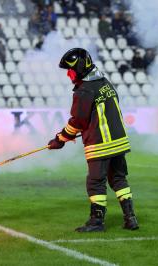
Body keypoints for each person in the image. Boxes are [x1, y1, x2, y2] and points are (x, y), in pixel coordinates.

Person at [48, 48, 139, 232]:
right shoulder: (105, 82)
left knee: (95, 182)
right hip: (119, 141)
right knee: (118, 179)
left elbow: (78, 121)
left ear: (80, 68)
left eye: (70, 70)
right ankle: (130, 218)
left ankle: (96, 222)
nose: (68, 74)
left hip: (100, 144)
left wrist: (61, 138)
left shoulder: (84, 90)